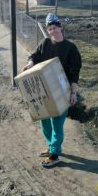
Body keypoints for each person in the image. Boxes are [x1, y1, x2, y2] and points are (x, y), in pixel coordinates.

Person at [23, 13, 82, 168]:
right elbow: (34, 56)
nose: (52, 31)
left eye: (54, 28)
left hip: (64, 91)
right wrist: (30, 64)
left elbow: (75, 73)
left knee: (57, 123)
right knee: (44, 120)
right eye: (49, 29)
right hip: (44, 90)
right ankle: (51, 147)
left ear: (60, 28)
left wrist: (73, 93)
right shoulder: (45, 44)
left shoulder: (71, 48)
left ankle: (55, 155)